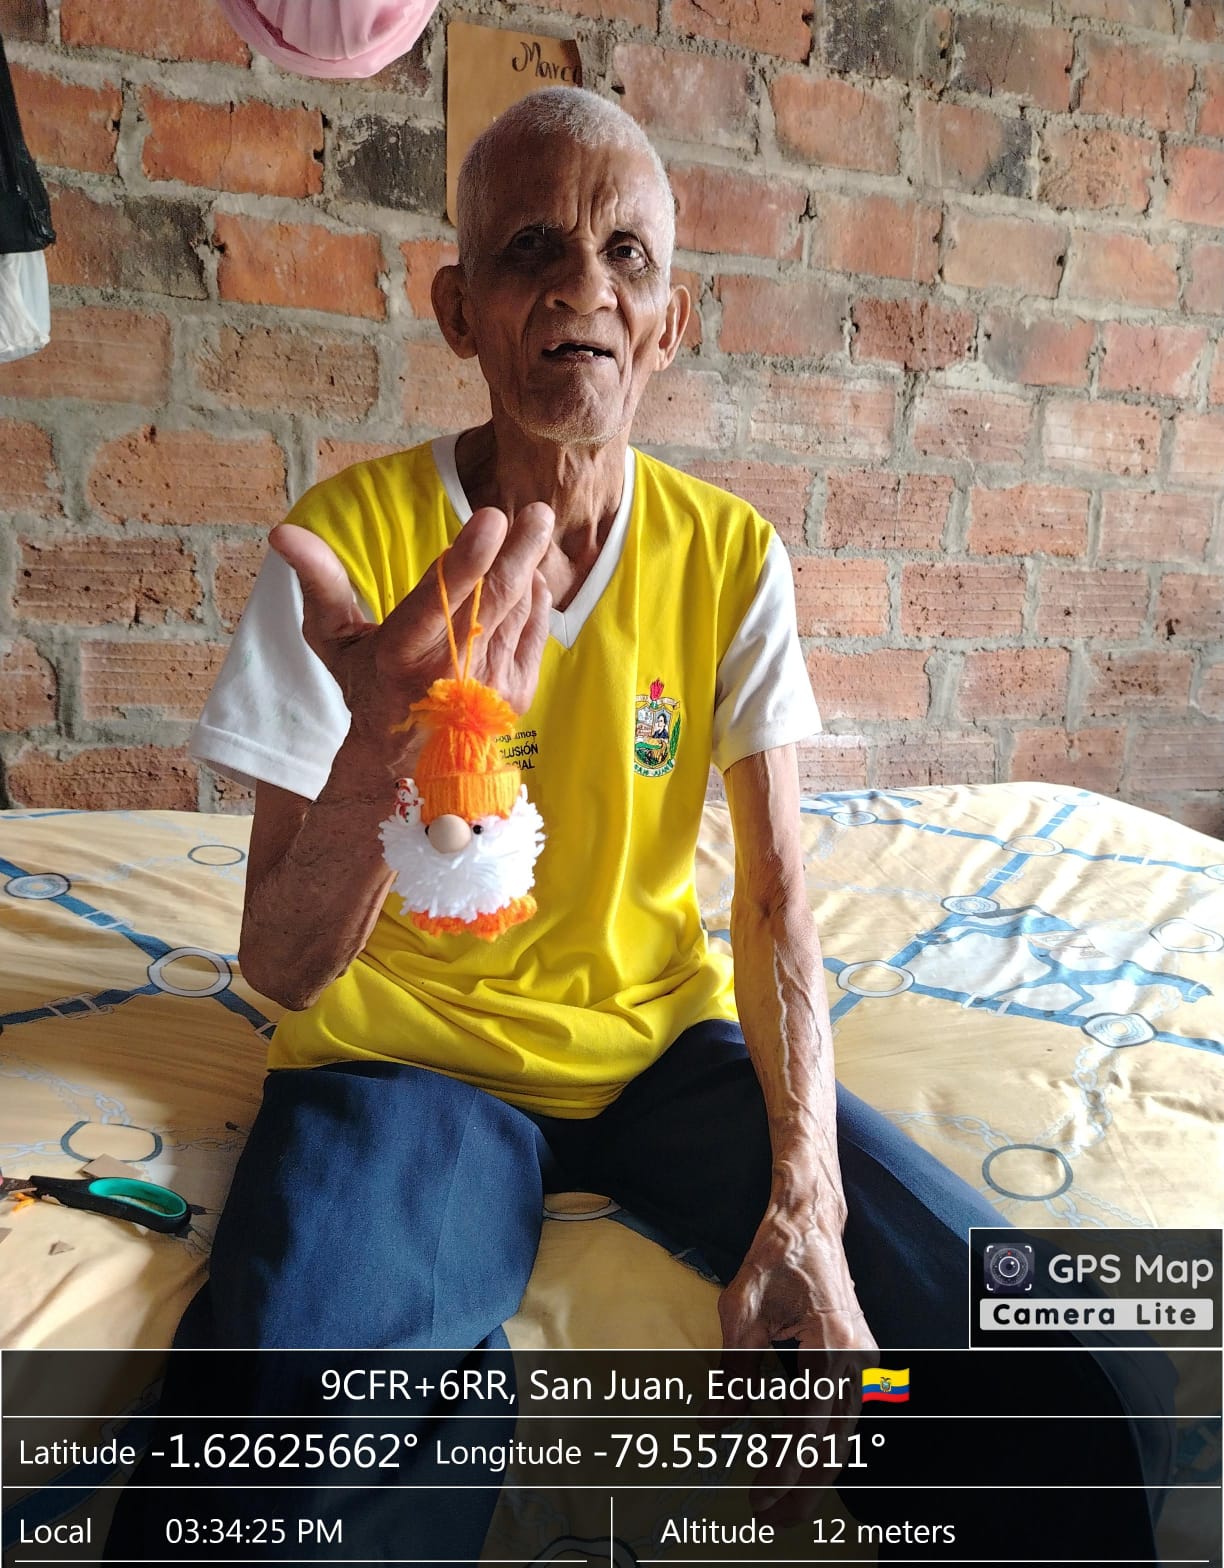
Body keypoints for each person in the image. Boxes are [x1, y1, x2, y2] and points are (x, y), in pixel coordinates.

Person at [103, 87, 1168, 1565]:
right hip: (406, 1061)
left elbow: (778, 899)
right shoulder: (344, 550)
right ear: (459, 310)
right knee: (279, 1479)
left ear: (669, 324)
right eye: (531, 249)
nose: (583, 289)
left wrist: (808, 1204)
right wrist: (384, 753)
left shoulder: (730, 556)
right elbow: (279, 969)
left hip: (665, 1048)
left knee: (1043, 1382)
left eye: (627, 257)